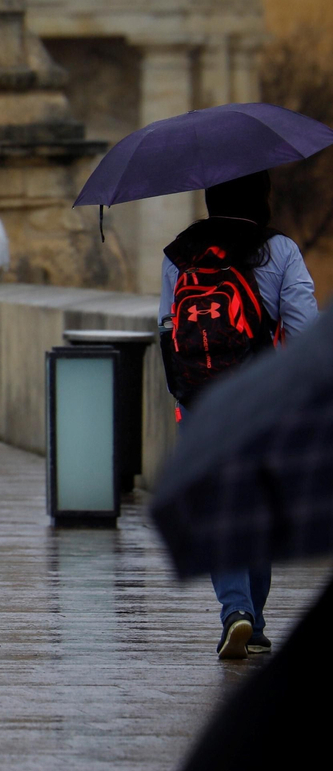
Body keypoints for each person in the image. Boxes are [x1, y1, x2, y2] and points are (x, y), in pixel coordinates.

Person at [158, 171, 317, 660]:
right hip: (261, 396)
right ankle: (254, 618)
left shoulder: (177, 253)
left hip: (200, 397)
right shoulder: (279, 251)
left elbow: (167, 326)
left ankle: (237, 613)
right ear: (261, 196)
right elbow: (306, 326)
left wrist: (183, 392)